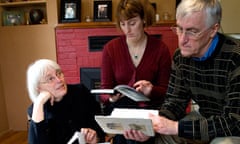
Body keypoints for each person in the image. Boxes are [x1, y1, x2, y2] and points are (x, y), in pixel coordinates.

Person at [123, 0, 240, 143]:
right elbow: (175, 102)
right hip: (206, 117)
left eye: (192, 31)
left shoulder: (236, 58)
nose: (182, 40)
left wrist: (176, 127)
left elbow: (235, 122)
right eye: (179, 29)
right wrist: (152, 126)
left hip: (234, 128)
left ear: (213, 30)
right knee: (159, 137)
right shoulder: (181, 57)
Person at [100, 0, 171, 143]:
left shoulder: (160, 49)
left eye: (132, 23)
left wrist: (151, 90)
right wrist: (111, 98)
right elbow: (104, 91)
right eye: (122, 24)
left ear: (144, 20)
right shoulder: (110, 49)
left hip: (150, 111)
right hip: (122, 111)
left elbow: (167, 91)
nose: (127, 30)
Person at [26, 59, 105, 144]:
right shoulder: (38, 110)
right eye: (50, 79)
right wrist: (39, 102)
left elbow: (100, 127)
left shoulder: (81, 92)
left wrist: (95, 138)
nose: (59, 80)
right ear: (38, 88)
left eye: (59, 73)